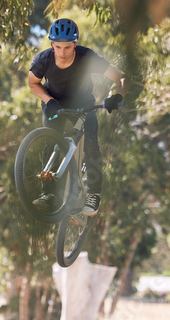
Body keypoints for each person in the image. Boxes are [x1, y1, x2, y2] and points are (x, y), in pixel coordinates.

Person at [28, 18, 127, 216]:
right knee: (51, 140)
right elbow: (33, 83)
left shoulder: (86, 57)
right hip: (54, 101)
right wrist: (49, 101)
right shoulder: (43, 60)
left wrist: (117, 96)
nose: (62, 53)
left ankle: (94, 194)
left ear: (75, 44)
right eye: (58, 47)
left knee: (91, 142)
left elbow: (122, 77)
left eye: (67, 47)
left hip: (83, 103)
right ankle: (49, 194)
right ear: (52, 45)